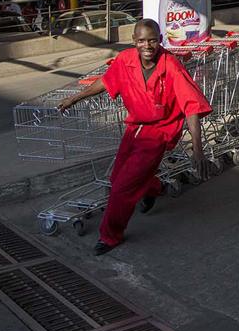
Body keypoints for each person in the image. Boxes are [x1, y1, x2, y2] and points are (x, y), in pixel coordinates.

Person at [57, 19, 212, 255]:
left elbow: (191, 107)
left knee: (121, 188)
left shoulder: (170, 65)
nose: (147, 45)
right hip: (135, 127)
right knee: (117, 177)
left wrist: (197, 149)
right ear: (134, 41)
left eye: (152, 40)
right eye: (141, 40)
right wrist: (76, 97)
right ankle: (152, 188)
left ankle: (110, 235)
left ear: (160, 40)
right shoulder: (125, 59)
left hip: (159, 130)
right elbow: (107, 81)